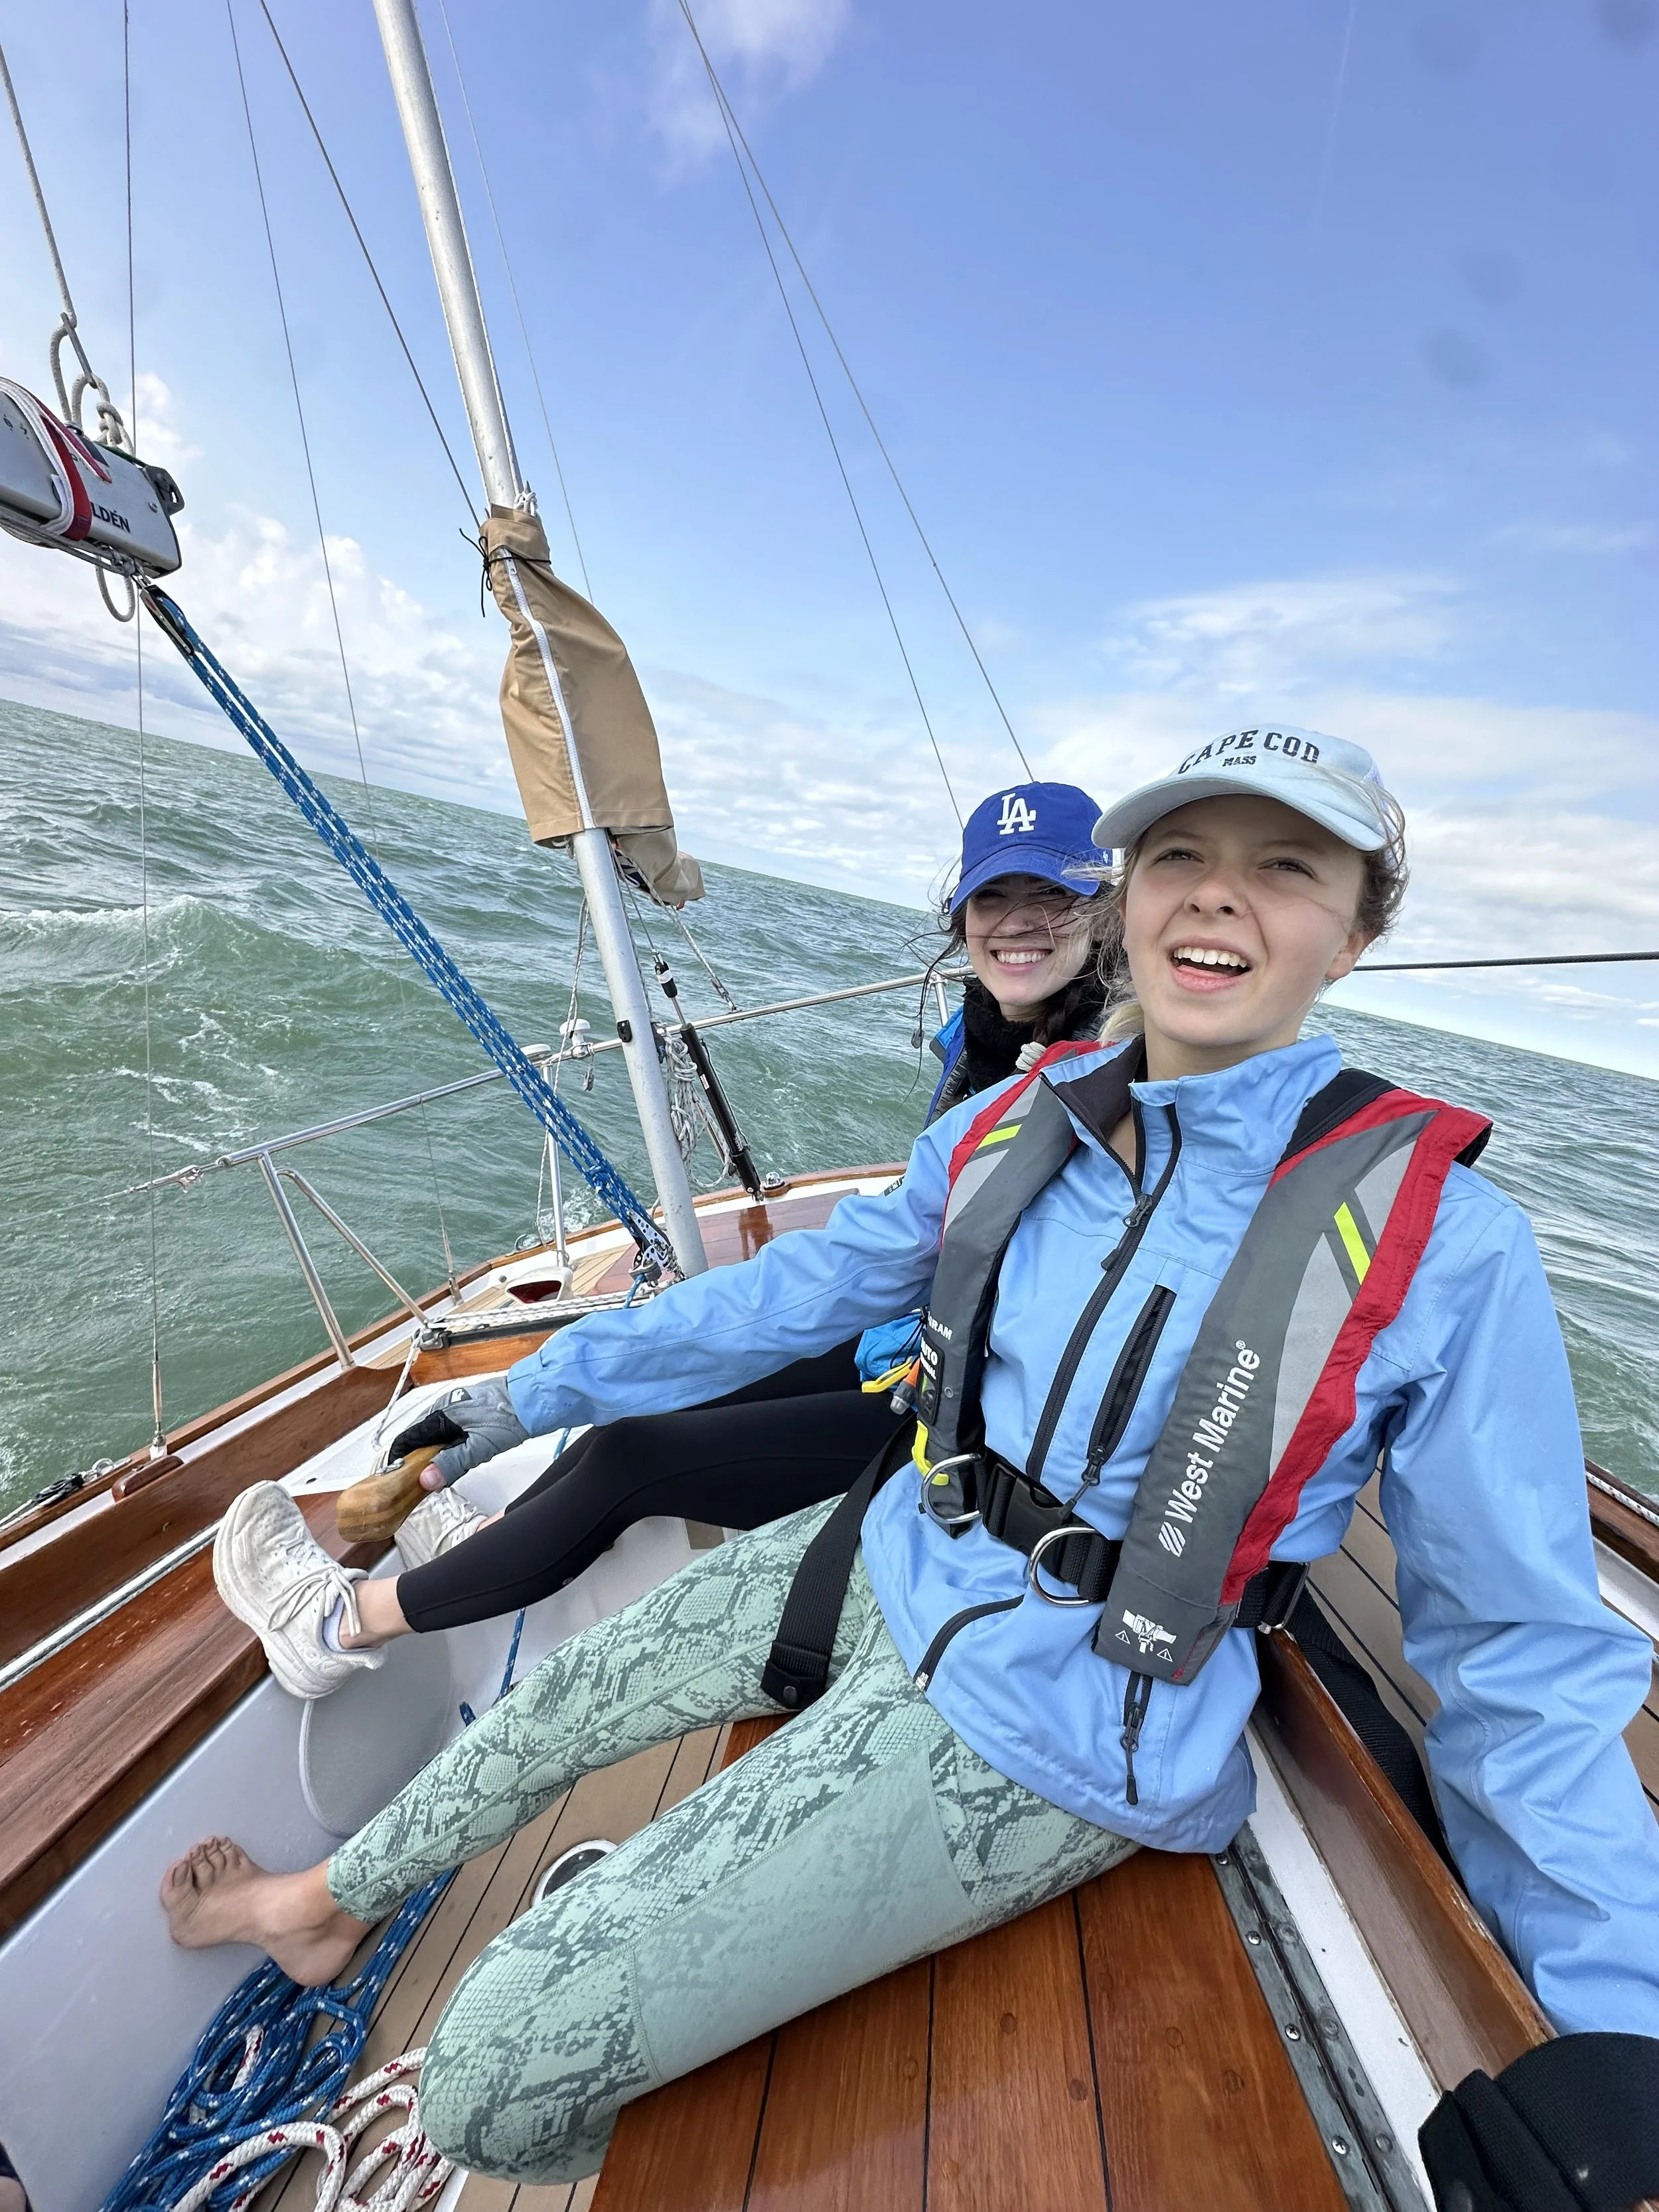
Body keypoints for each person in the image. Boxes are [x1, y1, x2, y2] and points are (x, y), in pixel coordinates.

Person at [175, 725, 1659, 2211]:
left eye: (1282, 867)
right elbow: (781, 1298)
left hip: (1068, 1716)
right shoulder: (1020, 1118)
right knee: (559, 1701)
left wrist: (1619, 2055)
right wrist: (520, 1400)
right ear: (1127, 896)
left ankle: (652, 1997)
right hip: (894, 1548)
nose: (1217, 899)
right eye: (1179, 858)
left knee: (486, 2076)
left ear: (1355, 932)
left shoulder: (1444, 1246)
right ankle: (320, 1907)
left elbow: (1516, 1655)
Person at [213, 780, 1115, 1693]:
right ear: (960, 914)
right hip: (925, 1355)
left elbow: (849, 1275)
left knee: (631, 1457)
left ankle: (333, 1624)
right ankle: (475, 1539)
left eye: (1054, 896)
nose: (1018, 923)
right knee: (655, 1400)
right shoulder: (999, 1041)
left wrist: (532, 1392)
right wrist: (532, 1395)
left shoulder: (1091, 1085)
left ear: (1110, 912)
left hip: (985, 1435)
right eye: (993, 896)